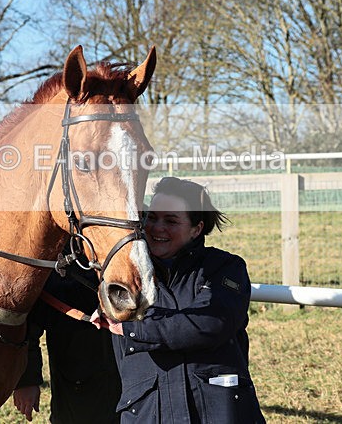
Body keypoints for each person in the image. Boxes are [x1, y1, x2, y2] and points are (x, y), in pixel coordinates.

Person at [92, 176, 266, 423]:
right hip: (147, 411)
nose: (157, 227)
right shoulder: (126, 276)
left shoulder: (226, 267)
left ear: (197, 229)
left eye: (171, 221)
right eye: (151, 218)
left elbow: (209, 323)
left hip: (216, 411)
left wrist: (133, 328)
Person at [12, 267, 121, 424]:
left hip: (132, 377)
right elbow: (31, 318)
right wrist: (27, 379)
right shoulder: (58, 256)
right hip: (77, 379)